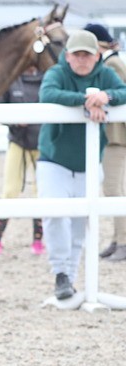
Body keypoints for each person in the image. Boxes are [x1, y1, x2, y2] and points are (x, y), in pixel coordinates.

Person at [37, 29, 126, 300]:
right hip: (54, 159)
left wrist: (106, 97)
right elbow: (47, 94)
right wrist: (88, 100)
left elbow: (123, 91)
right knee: (54, 215)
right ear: (67, 56)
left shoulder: (105, 73)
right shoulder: (57, 72)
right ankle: (60, 273)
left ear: (97, 55)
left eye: (87, 55)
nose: (82, 60)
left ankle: (70, 277)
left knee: (81, 221)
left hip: (89, 160)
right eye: (76, 55)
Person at [0, 67, 45, 256]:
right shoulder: (12, 79)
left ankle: (38, 240)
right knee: (10, 190)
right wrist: (14, 120)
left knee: (41, 193)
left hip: (41, 143)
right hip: (18, 141)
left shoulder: (47, 78)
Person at [85, 23, 126, 261]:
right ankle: (117, 238)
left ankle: (123, 241)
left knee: (113, 189)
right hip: (114, 135)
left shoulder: (111, 65)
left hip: (117, 136)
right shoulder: (113, 62)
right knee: (116, 188)